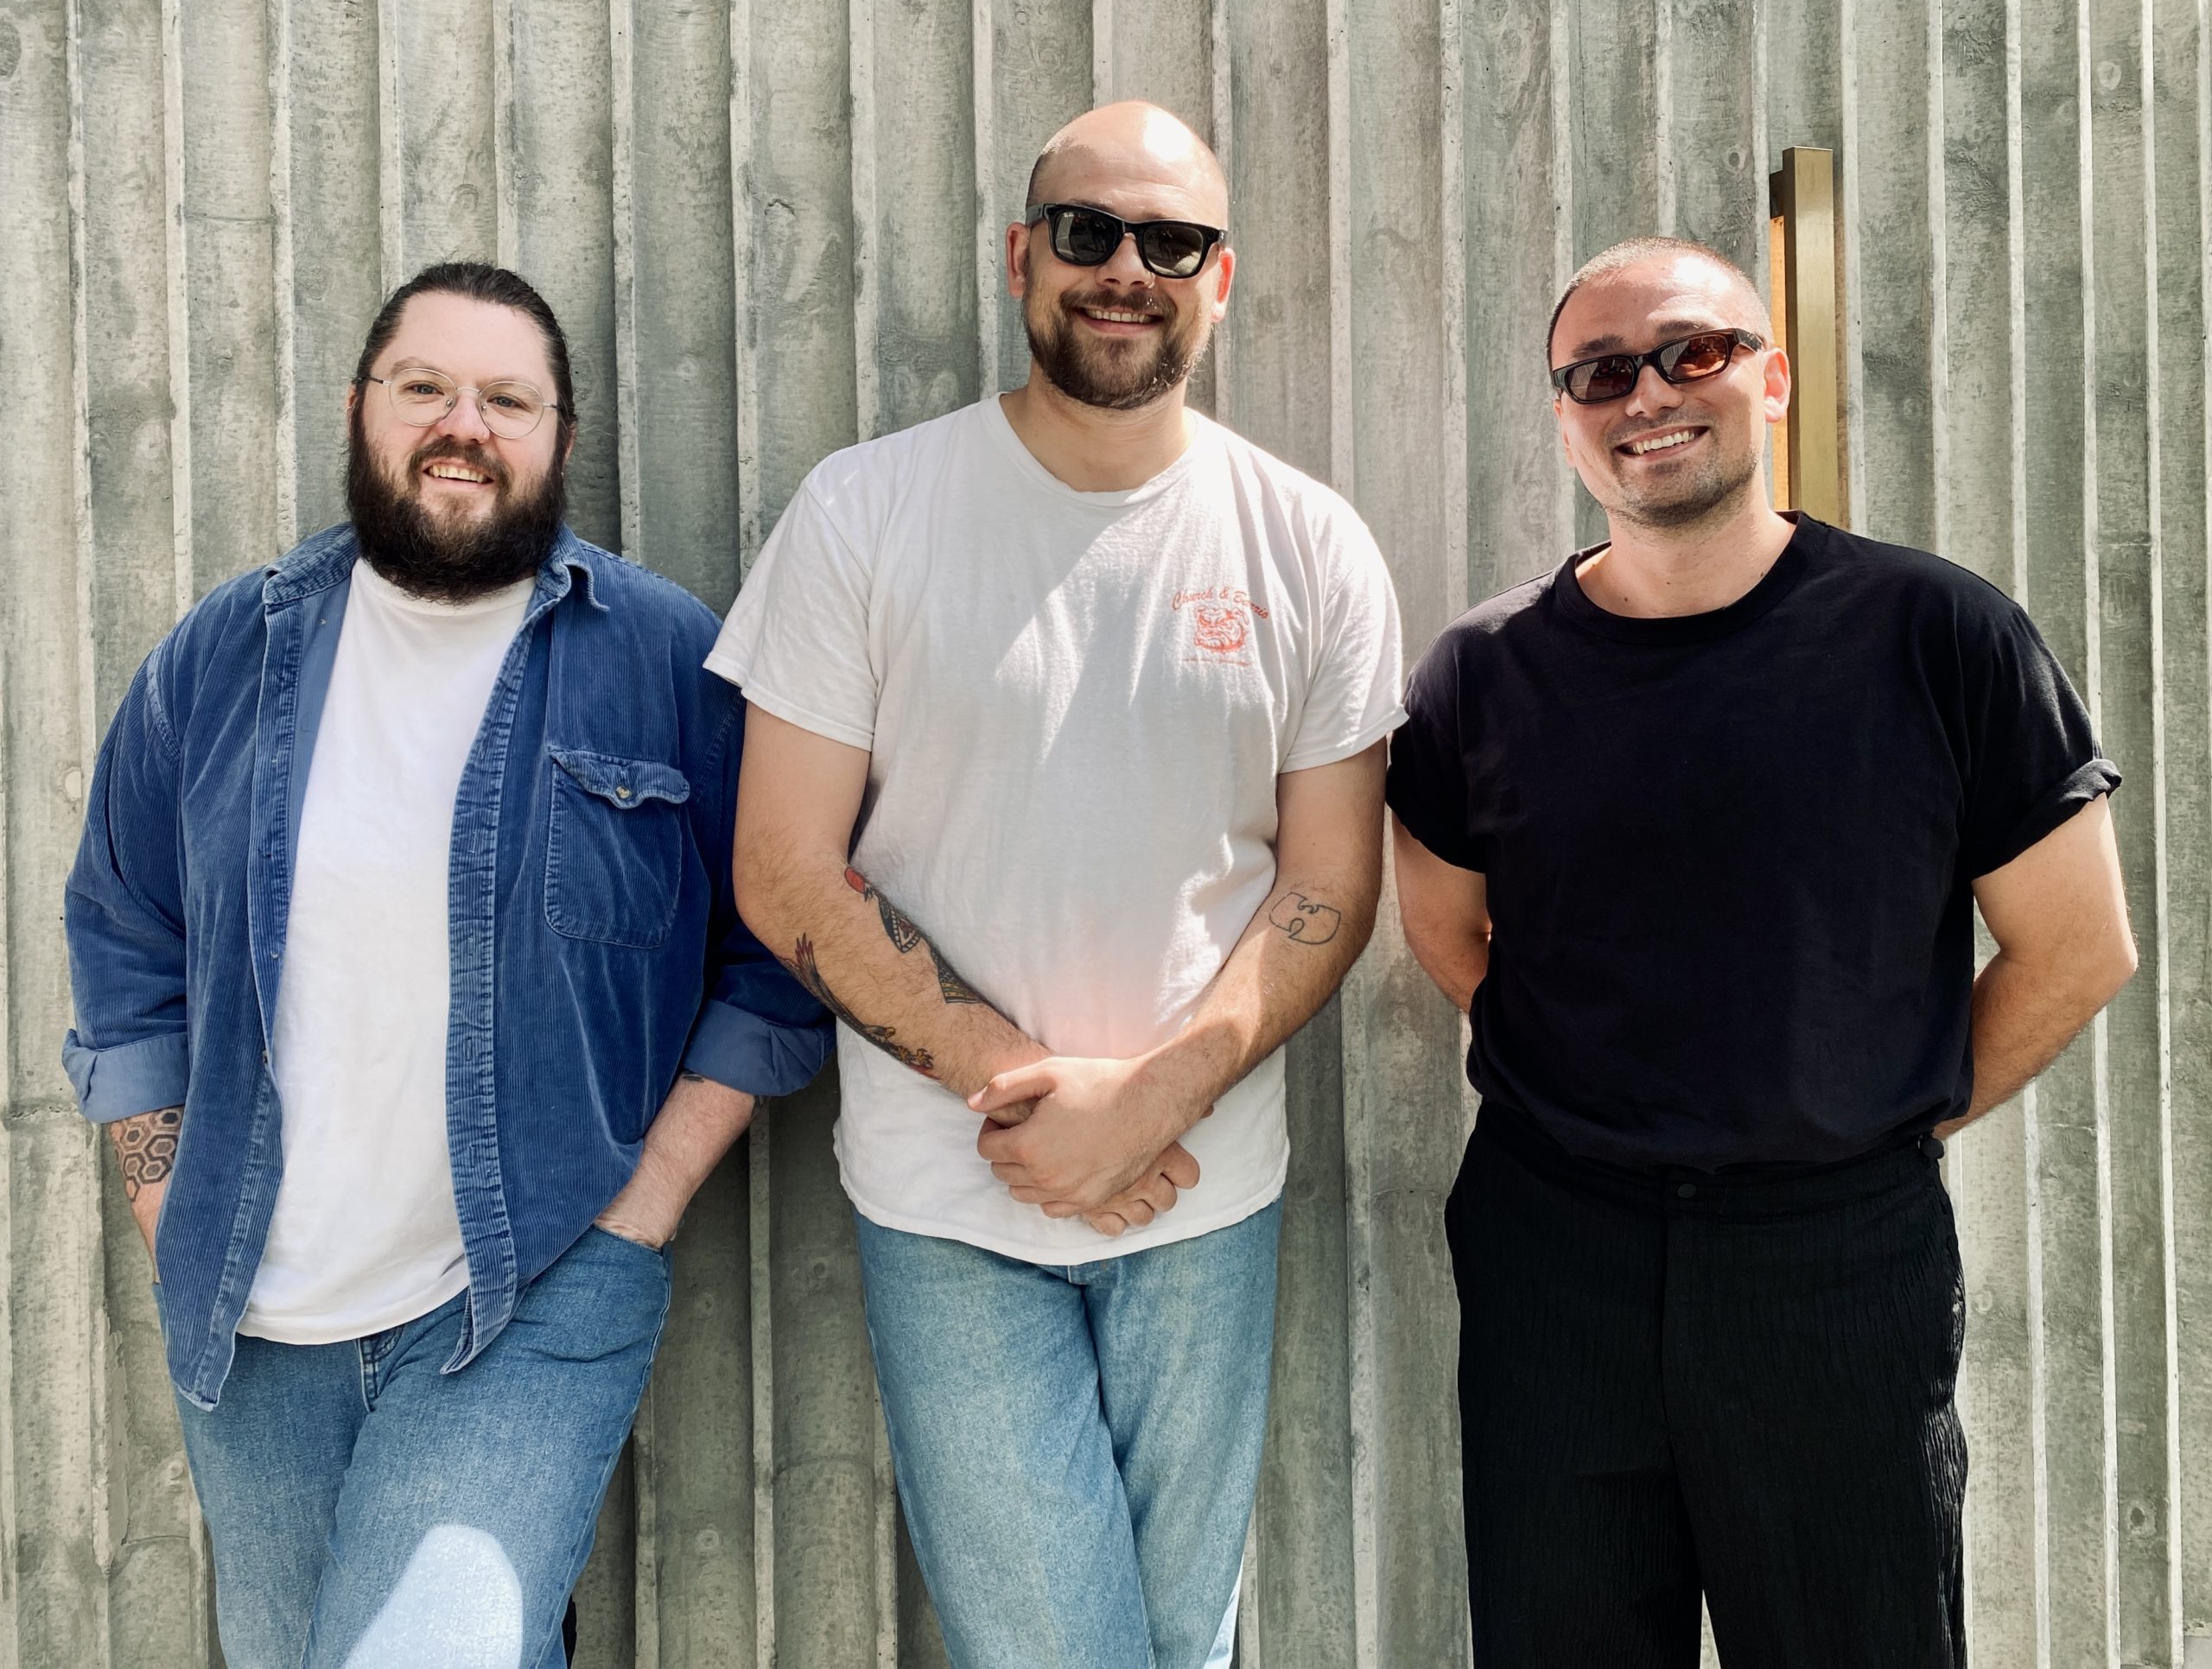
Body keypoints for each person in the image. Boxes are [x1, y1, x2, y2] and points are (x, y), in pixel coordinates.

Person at [713, 100, 1404, 1667]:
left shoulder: (1311, 547)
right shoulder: (866, 511)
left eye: (1174, 243)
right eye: (1089, 232)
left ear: (1222, 279)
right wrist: (1033, 1099)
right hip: (952, 1189)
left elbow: (1330, 885)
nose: (1127, 270)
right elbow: (782, 866)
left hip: (1204, 1195)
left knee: (1179, 1637)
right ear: (1023, 257)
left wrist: (1153, 1101)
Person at [60, 263, 830, 1669]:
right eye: (425, 387)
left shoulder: (665, 656)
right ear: (363, 410)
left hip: (533, 1284)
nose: (461, 423)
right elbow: (124, 937)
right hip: (251, 1314)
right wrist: (166, 1194)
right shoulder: (220, 657)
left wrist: (640, 1206)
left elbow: (781, 945)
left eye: (506, 398)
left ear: (561, 440)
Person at [1388, 236, 2138, 1667]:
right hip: (1558, 1251)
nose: (1650, 393)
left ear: (1772, 376)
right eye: (1602, 372)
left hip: (1835, 1262)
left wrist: (1866, 1103)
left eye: (1696, 350)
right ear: (1566, 414)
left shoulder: (1940, 634)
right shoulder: (1481, 671)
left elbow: (2079, 947)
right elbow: (1445, 919)